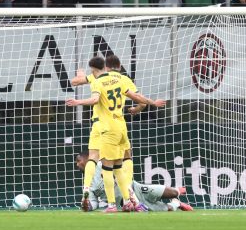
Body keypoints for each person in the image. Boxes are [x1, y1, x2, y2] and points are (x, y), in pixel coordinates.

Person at [66, 56, 166, 212]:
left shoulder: (96, 81)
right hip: (121, 124)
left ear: (94, 69)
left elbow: (92, 98)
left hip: (106, 126)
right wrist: (153, 103)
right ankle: (128, 198)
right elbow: (138, 98)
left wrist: (77, 101)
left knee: (105, 165)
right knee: (121, 163)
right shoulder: (121, 80)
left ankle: (109, 203)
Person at [75, 151, 194, 212]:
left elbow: (120, 167)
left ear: (87, 158)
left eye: (78, 161)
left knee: (172, 192)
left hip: (134, 188)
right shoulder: (88, 184)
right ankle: (176, 204)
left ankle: (177, 194)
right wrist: (87, 206)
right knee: (166, 208)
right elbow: (92, 204)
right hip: (125, 205)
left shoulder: (103, 163)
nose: (77, 164)